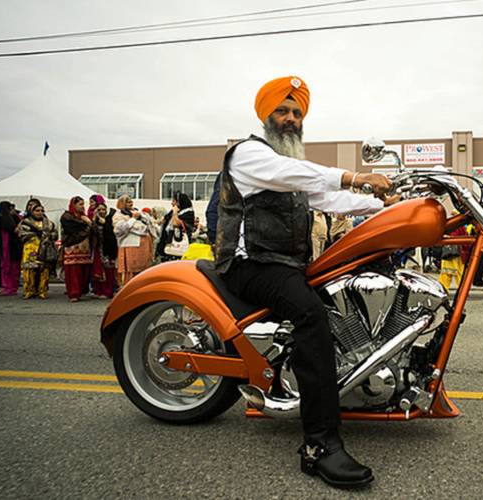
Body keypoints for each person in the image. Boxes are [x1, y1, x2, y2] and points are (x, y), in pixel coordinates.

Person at [215, 75, 398, 488]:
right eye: (283, 110)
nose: (291, 118)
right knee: (312, 316)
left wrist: (382, 206)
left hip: (286, 264)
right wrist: (357, 176)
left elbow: (323, 196)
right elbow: (297, 174)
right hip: (251, 265)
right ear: (266, 115)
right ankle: (319, 446)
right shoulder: (248, 154)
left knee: (339, 301)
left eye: (297, 112)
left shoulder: (292, 169)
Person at [17, 203, 58, 299]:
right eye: (37, 210)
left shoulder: (49, 223)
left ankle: (42, 290)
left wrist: (47, 236)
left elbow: (55, 234)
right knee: (29, 271)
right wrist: (34, 234)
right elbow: (20, 234)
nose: (40, 213)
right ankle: (29, 291)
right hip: (30, 248)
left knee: (44, 270)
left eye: (41, 210)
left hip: (44, 249)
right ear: (31, 211)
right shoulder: (25, 222)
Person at [114, 195, 156, 285]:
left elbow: (150, 224)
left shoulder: (137, 212)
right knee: (131, 270)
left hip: (144, 245)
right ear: (122, 204)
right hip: (130, 246)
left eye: (131, 201)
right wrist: (133, 219)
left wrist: (141, 217)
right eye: (128, 202)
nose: (131, 203)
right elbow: (120, 229)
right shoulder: (118, 215)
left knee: (144, 269)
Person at [60, 196, 93, 302]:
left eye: (83, 204)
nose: (83, 207)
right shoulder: (67, 216)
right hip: (72, 247)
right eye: (80, 204)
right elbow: (74, 230)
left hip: (84, 248)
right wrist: (87, 225)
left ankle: (81, 291)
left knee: (83, 272)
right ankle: (74, 293)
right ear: (73, 205)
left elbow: (93, 229)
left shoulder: (84, 217)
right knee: (73, 272)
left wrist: (88, 223)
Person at [156, 192, 194, 262]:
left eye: (174, 201)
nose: (172, 203)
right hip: (167, 244)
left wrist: (175, 213)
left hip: (179, 245)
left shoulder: (188, 213)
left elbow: (176, 223)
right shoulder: (172, 212)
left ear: (179, 202)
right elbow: (162, 222)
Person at [91, 202, 118, 299]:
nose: (102, 211)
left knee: (109, 270)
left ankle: (108, 291)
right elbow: (91, 233)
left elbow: (113, 233)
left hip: (108, 248)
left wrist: (105, 223)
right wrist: (94, 219)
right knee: (98, 270)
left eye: (103, 209)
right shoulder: (95, 221)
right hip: (98, 249)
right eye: (99, 210)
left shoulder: (111, 218)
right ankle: (99, 290)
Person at [0, 201, 23, 296]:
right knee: (15, 267)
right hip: (15, 246)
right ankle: (13, 287)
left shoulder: (0, 218)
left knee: (6, 267)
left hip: (6, 246)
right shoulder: (16, 218)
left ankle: (7, 287)